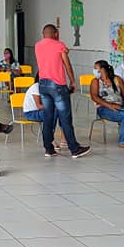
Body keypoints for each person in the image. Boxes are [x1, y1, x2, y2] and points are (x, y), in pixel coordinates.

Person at [35, 24, 90, 158]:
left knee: (48, 117)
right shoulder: (59, 45)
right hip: (57, 85)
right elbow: (67, 64)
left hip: (43, 84)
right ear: (56, 34)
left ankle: (49, 148)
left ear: (43, 34)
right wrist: (72, 81)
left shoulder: (38, 45)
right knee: (65, 117)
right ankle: (74, 149)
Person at [89, 60, 124, 150]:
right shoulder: (95, 81)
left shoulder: (117, 79)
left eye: (96, 69)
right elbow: (94, 97)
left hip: (121, 107)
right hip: (104, 108)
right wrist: (110, 105)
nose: (94, 71)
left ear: (103, 69)